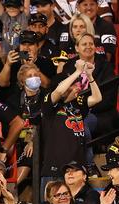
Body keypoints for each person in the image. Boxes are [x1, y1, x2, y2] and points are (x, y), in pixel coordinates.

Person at [39, 59, 101, 190]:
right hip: (54, 172)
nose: (76, 86)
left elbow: (97, 98)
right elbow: (58, 92)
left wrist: (89, 76)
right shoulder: (49, 105)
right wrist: (78, 71)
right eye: (72, 84)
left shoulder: (77, 105)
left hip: (76, 170)